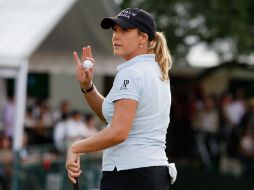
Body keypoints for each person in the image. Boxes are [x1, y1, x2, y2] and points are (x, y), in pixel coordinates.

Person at [65, 8, 177, 190]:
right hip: (151, 173)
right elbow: (110, 115)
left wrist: (76, 147)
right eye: (115, 30)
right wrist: (88, 86)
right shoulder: (157, 71)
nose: (116, 36)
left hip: (129, 174)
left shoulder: (131, 73)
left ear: (143, 38)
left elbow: (119, 131)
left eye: (124, 31)